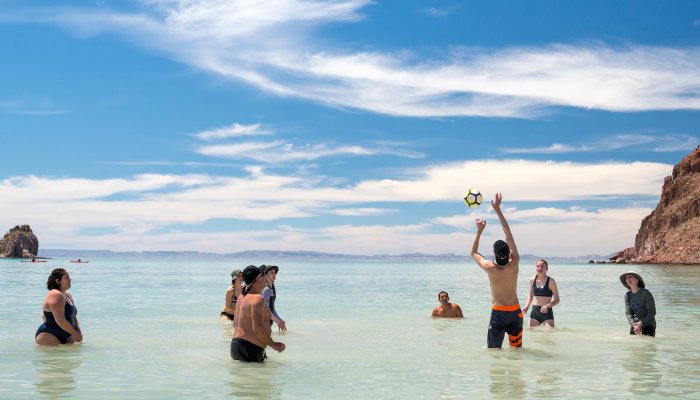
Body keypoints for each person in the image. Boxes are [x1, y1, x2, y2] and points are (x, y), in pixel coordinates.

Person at [470, 193, 523, 349]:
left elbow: (474, 252)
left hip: (499, 314)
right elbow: (508, 234)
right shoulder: (515, 263)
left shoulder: (490, 268)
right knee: (516, 351)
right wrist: (498, 210)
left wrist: (479, 231)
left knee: (494, 352)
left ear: (494, 255)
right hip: (516, 313)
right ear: (509, 254)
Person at [231, 265, 285, 362]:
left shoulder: (241, 298)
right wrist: (274, 345)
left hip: (236, 346)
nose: (265, 277)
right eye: (263, 275)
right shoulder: (257, 299)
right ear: (258, 280)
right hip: (249, 349)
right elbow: (257, 329)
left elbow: (235, 324)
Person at [35, 268, 83, 345]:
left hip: (67, 334)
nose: (70, 279)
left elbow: (73, 317)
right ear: (57, 281)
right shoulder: (55, 294)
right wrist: (75, 334)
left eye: (69, 277)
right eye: (66, 277)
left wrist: (78, 331)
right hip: (50, 335)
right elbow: (60, 320)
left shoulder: (68, 295)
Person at [522, 259, 560, 328]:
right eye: (538, 266)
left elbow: (557, 300)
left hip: (547, 314)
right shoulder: (532, 280)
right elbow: (530, 295)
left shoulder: (551, 281)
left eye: (542, 266)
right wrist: (527, 306)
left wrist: (547, 306)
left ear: (546, 269)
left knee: (547, 337)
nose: (540, 268)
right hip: (534, 313)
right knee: (532, 336)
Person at [620, 271, 656, 337]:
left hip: (648, 325)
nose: (628, 279)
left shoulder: (645, 293)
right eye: (626, 278)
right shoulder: (627, 295)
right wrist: (633, 324)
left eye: (630, 277)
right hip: (635, 325)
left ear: (637, 280)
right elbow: (628, 313)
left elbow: (652, 312)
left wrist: (641, 323)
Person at [261, 265, 287, 332]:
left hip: (268, 321)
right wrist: (278, 321)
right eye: (271, 272)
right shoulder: (266, 290)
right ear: (266, 275)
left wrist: (279, 319)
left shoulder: (272, 288)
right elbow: (265, 310)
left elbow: (271, 307)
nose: (274, 274)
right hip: (263, 322)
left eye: (275, 272)